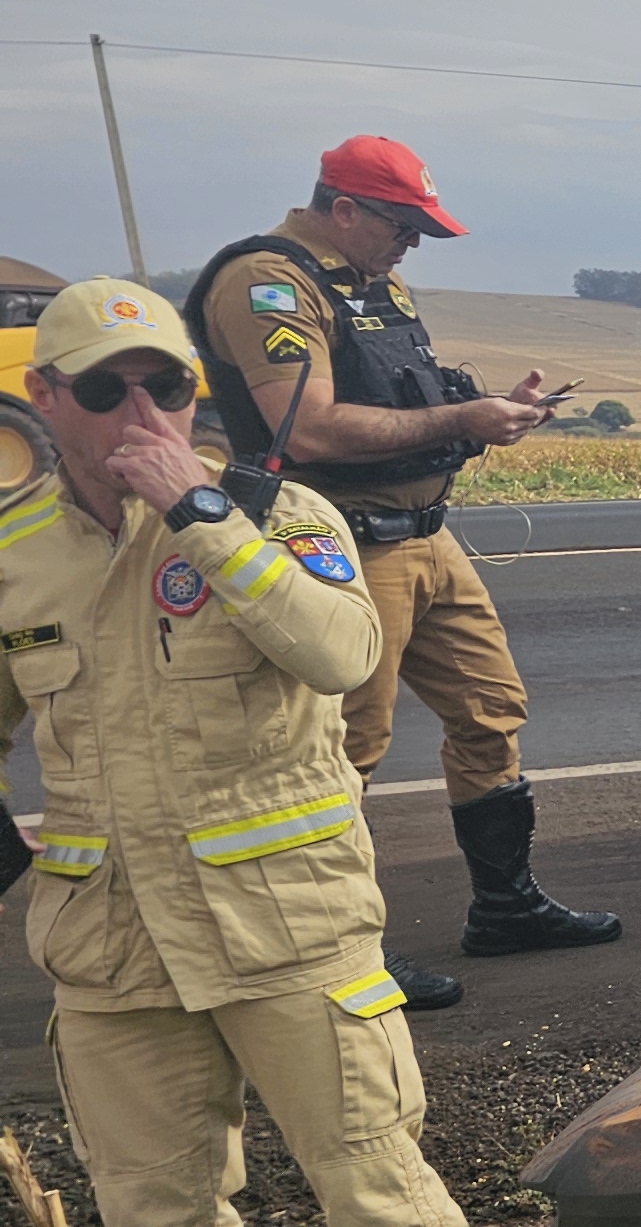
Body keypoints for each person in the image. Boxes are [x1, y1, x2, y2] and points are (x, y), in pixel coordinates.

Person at [0, 279, 505, 1227]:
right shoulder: (16, 549)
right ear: (45, 395)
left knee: (385, 1200)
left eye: (167, 384)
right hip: (113, 947)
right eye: (103, 387)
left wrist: (205, 522)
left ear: (196, 391)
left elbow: (340, 654)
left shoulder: (276, 514)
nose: (141, 410)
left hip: (287, 925)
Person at [183, 137, 617, 1012]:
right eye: (403, 226)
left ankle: (506, 907)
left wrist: (485, 411)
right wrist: (463, 414)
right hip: (339, 545)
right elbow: (304, 429)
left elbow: (393, 402)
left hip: (426, 535)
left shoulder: (369, 283)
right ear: (345, 208)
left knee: (490, 710)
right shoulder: (268, 283)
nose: (410, 245)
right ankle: (342, 950)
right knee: (347, 750)